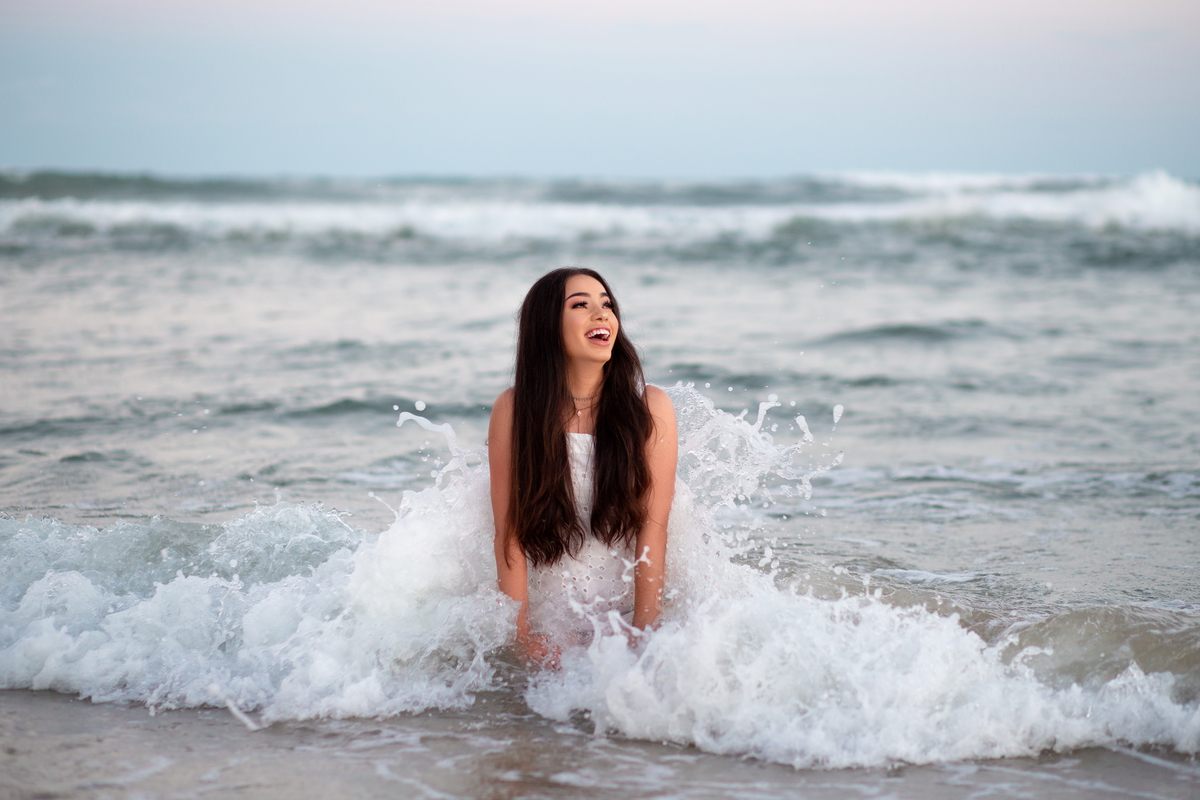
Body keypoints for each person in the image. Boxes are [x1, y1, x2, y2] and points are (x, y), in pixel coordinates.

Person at [488, 268, 678, 665]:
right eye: (581, 305)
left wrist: (643, 631)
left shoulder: (650, 407)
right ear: (547, 326)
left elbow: (653, 528)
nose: (602, 314)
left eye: (607, 305)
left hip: (629, 610)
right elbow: (510, 534)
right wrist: (522, 637)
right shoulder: (514, 409)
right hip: (552, 616)